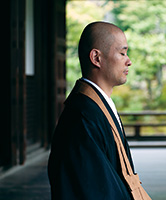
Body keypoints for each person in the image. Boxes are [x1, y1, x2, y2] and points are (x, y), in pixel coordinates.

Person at [48, 21, 143, 199]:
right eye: (122, 53)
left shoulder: (96, 107)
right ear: (96, 58)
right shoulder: (82, 116)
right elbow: (96, 190)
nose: (129, 61)